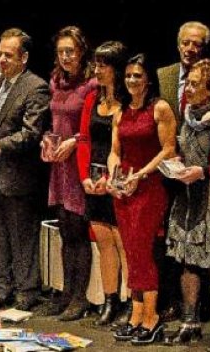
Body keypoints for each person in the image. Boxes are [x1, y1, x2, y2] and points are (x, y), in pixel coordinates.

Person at [0, 29, 50, 313]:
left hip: (19, 175)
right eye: (0, 54)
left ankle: (26, 290)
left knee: (21, 236)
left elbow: (31, 133)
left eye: (9, 55)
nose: (2, 59)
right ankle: (1, 288)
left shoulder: (36, 86)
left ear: (24, 57)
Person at [109, 53, 177, 344]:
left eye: (138, 75)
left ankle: (152, 316)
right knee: (131, 251)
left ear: (149, 79)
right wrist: (114, 174)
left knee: (144, 252)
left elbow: (169, 149)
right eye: (128, 76)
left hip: (149, 188)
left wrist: (141, 175)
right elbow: (115, 150)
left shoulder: (159, 108)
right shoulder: (120, 110)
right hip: (124, 188)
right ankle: (136, 314)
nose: (132, 80)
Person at [164, 59, 210, 344]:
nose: (187, 88)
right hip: (188, 197)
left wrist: (203, 172)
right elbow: (184, 147)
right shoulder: (188, 114)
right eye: (187, 82)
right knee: (187, 261)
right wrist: (178, 162)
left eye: (194, 84)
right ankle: (189, 320)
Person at [40, 27, 96, 321]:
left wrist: (74, 141)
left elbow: (92, 126)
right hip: (59, 165)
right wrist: (46, 140)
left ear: (82, 51)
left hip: (79, 164)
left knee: (78, 231)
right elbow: (54, 119)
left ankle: (80, 297)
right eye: (61, 51)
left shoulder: (92, 83)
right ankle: (66, 292)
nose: (65, 57)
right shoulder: (56, 81)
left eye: (70, 51)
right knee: (64, 229)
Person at [75, 41, 130, 326]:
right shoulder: (92, 99)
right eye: (95, 64)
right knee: (104, 243)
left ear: (116, 69)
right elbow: (84, 139)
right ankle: (110, 301)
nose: (96, 70)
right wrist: (85, 176)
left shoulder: (129, 101)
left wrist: (112, 179)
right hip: (94, 181)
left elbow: (127, 147)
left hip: (119, 181)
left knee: (124, 244)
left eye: (102, 65)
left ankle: (133, 303)